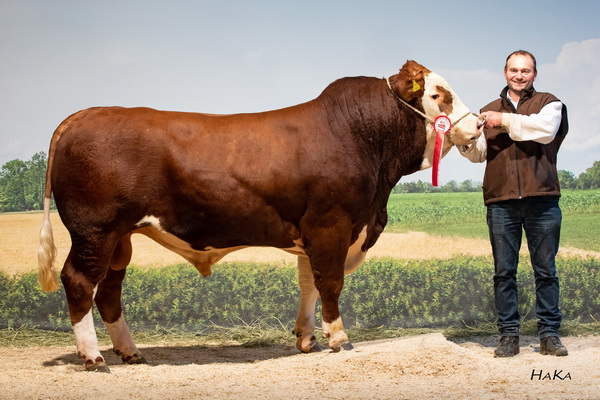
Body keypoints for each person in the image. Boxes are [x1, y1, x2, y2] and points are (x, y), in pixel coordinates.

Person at [459, 50, 569, 357]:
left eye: (526, 71)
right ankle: (508, 335)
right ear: (504, 72)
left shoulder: (550, 103)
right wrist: (463, 139)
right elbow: (479, 153)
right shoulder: (487, 110)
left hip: (542, 198)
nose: (519, 75)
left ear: (535, 74)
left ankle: (549, 334)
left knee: (545, 270)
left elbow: (544, 132)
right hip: (500, 201)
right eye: (513, 70)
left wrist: (503, 120)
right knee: (503, 272)